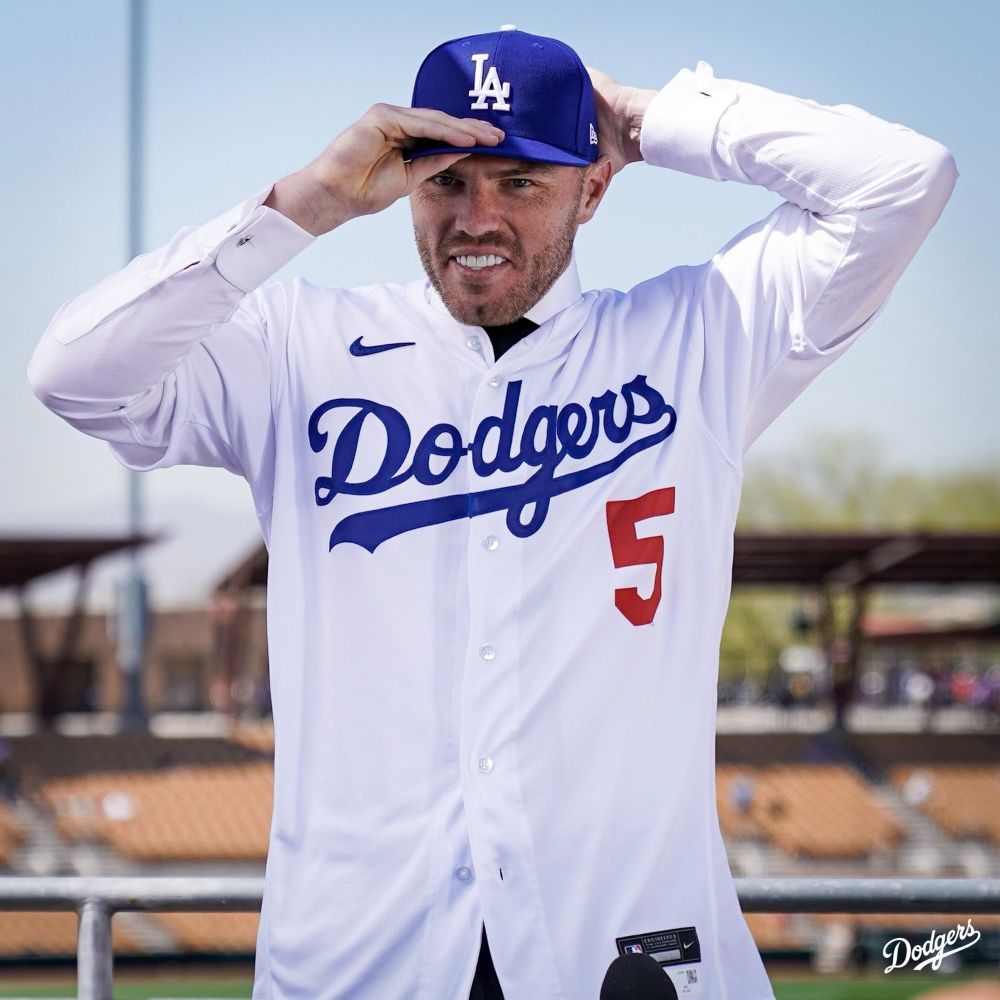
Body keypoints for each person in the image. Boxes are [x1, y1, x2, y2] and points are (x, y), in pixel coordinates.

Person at [28, 25, 956, 1000]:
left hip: (625, 963)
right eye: (446, 182)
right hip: (357, 969)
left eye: (520, 181)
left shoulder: (699, 338)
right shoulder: (301, 349)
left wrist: (649, 119)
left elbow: (902, 180)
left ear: (592, 189)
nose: (477, 216)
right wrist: (303, 204)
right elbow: (74, 375)